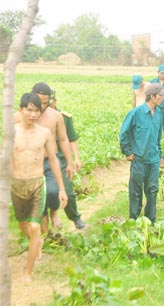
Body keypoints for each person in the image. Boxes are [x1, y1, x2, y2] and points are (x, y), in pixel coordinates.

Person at [11, 93, 68, 283]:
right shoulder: (11, 132)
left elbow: (53, 159)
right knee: (23, 225)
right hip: (16, 184)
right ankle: (37, 242)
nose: (33, 114)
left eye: (36, 110)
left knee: (35, 226)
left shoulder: (44, 133)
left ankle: (28, 272)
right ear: (21, 110)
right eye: (29, 110)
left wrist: (61, 188)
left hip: (37, 184)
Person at [17, 82, 75, 233]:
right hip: (30, 163)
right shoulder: (19, 117)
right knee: (37, 199)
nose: (41, 107)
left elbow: (63, 140)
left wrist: (70, 162)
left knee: (52, 191)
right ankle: (44, 235)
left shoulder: (56, 117)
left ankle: (54, 213)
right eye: (39, 102)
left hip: (50, 161)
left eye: (45, 102)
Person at [119, 83, 164, 224]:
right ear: (152, 96)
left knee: (152, 190)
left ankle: (150, 220)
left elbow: (158, 138)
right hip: (139, 159)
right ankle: (133, 219)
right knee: (135, 191)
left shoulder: (159, 115)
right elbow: (124, 133)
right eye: (160, 96)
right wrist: (127, 151)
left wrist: (160, 156)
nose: (163, 98)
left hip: (153, 160)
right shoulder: (136, 113)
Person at [49, 89, 85, 229]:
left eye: (50, 102)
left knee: (68, 192)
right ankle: (52, 218)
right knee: (49, 193)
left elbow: (71, 139)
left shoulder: (64, 117)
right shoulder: (38, 117)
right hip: (45, 161)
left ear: (55, 101)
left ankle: (75, 218)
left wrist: (76, 158)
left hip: (62, 161)